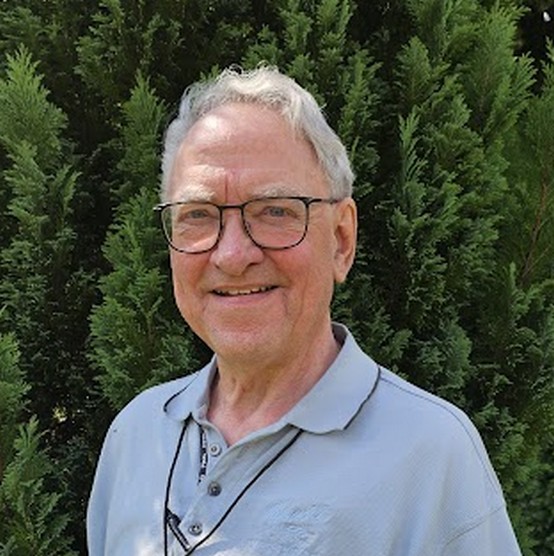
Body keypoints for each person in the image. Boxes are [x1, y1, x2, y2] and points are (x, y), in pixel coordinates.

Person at [87, 66, 522, 556]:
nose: (232, 255)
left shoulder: (430, 454)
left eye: (275, 211)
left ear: (341, 239)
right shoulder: (136, 433)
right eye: (198, 215)